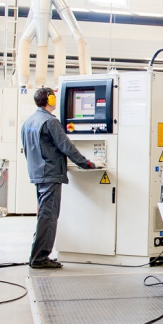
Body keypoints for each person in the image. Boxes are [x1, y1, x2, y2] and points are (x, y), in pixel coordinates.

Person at [20, 87, 99, 269]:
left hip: (37, 173)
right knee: (48, 216)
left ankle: (36, 255)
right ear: (50, 100)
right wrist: (87, 163)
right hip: (50, 174)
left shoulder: (29, 122)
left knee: (43, 214)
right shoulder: (50, 122)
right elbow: (66, 146)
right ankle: (39, 258)